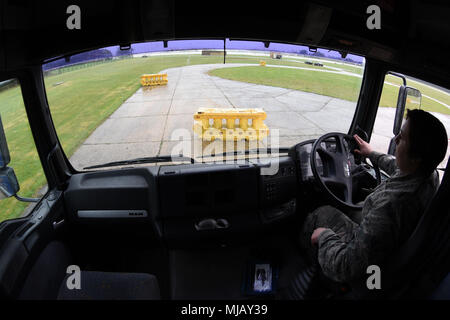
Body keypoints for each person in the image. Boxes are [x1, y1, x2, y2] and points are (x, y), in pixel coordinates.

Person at [299, 109, 448, 285]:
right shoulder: (428, 175)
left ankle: (310, 268)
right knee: (350, 206)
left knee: (321, 214)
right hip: (387, 241)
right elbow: (397, 167)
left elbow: (346, 266)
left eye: (402, 138)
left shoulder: (391, 207)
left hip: (370, 269)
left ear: (416, 157)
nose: (395, 139)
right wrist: (371, 154)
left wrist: (325, 236)